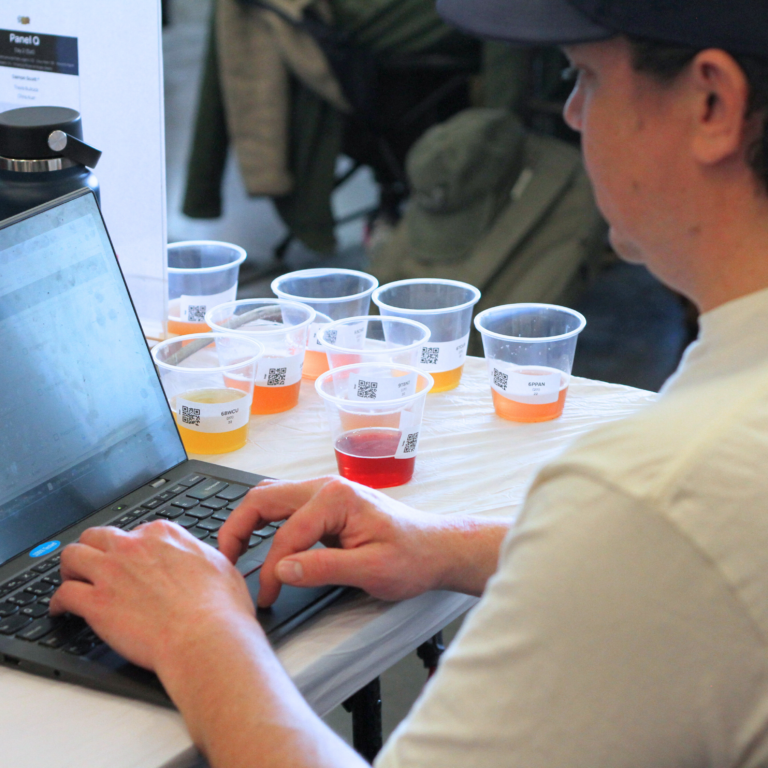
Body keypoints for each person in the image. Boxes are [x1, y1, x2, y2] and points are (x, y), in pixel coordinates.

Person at [50, 1, 768, 766]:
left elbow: (671, 522)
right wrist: (453, 545)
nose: (570, 111)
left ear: (711, 105)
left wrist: (200, 635)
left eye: (585, 76)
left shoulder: (657, 488)